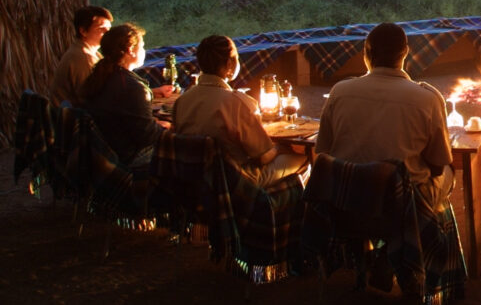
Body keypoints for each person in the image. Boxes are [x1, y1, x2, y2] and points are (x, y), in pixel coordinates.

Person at [317, 22, 454, 211]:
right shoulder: (428, 98)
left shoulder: (339, 92)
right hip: (402, 207)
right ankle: (430, 235)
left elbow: (323, 152)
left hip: (346, 200)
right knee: (448, 171)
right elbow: (438, 166)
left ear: (367, 53)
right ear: (405, 52)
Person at [173, 35, 308, 187]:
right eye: (237, 56)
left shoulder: (182, 101)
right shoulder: (237, 102)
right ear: (230, 63)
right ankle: (284, 208)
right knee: (302, 158)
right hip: (233, 182)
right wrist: (279, 148)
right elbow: (263, 157)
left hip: (191, 181)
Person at [80, 23, 164, 166]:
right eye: (142, 46)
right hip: (127, 158)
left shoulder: (103, 76)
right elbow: (148, 136)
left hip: (104, 151)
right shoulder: (130, 86)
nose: (144, 50)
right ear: (130, 50)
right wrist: (166, 127)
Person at [50, 6, 113, 107]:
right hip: (72, 119)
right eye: (101, 29)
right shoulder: (82, 57)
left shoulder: (91, 53)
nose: (107, 33)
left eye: (109, 29)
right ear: (83, 31)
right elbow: (90, 98)